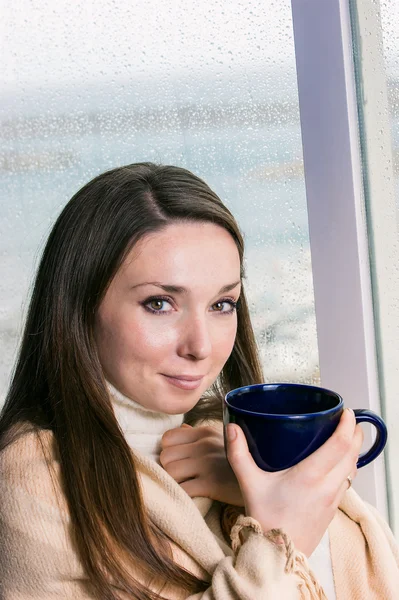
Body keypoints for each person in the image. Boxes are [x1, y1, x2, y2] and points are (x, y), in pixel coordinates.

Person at [0, 163, 398, 600]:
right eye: (159, 303)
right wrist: (275, 537)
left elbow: (361, 570)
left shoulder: (221, 439)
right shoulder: (31, 484)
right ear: (79, 306)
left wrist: (259, 488)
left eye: (222, 304)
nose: (201, 346)